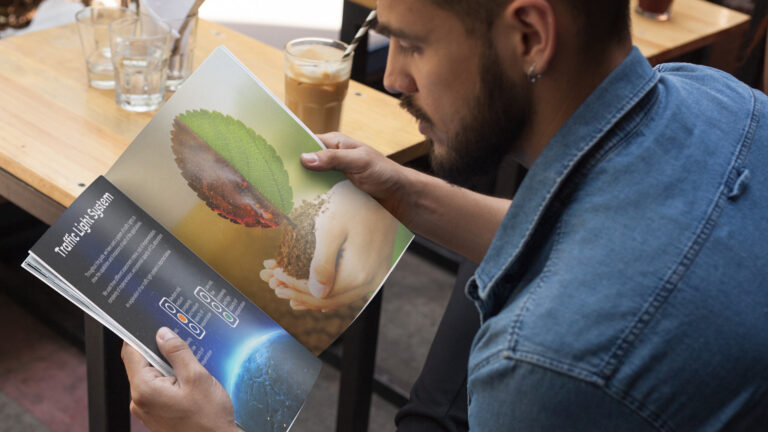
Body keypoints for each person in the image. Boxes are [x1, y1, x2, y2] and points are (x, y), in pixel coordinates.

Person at [121, 0, 768, 430]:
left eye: (410, 44)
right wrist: (407, 194)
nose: (394, 78)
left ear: (530, 37)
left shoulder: (542, 370)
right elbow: (589, 231)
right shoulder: (726, 102)